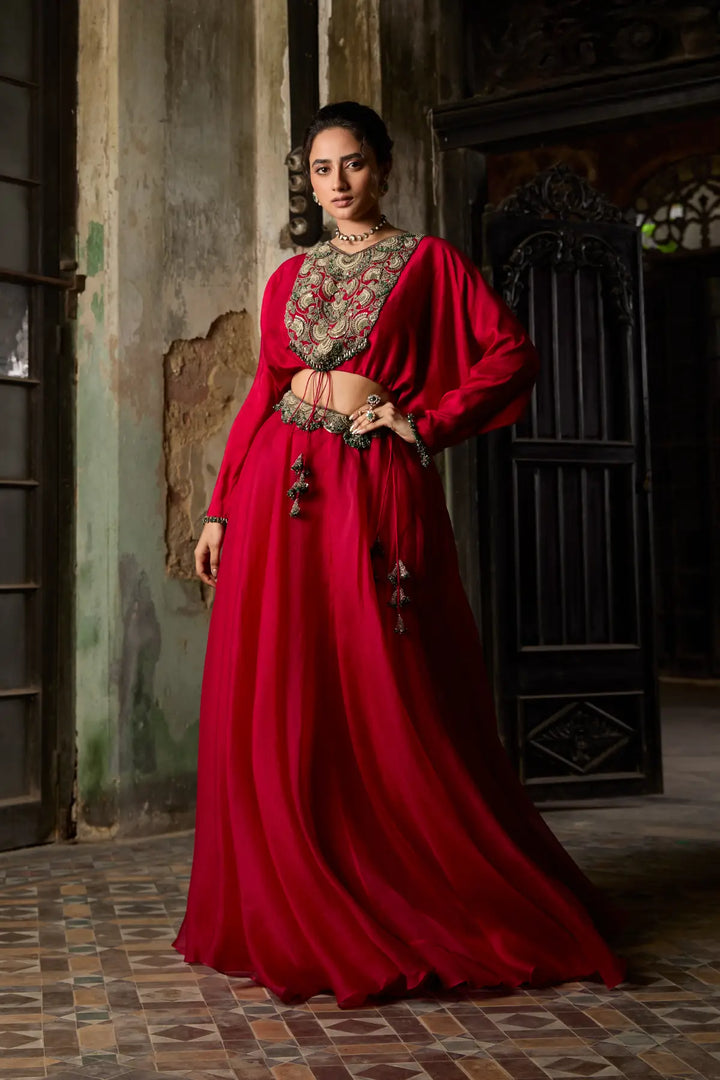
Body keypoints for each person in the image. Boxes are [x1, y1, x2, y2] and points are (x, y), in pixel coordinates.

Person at [173, 101, 626, 1008]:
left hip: (372, 485)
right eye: (319, 169)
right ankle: (294, 883)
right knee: (286, 683)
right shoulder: (287, 278)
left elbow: (511, 355)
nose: (335, 184)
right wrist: (220, 509)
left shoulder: (430, 264)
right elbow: (263, 390)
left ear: (383, 169)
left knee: (387, 677)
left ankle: (409, 879)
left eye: (352, 165)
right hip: (275, 487)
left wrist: (425, 422)